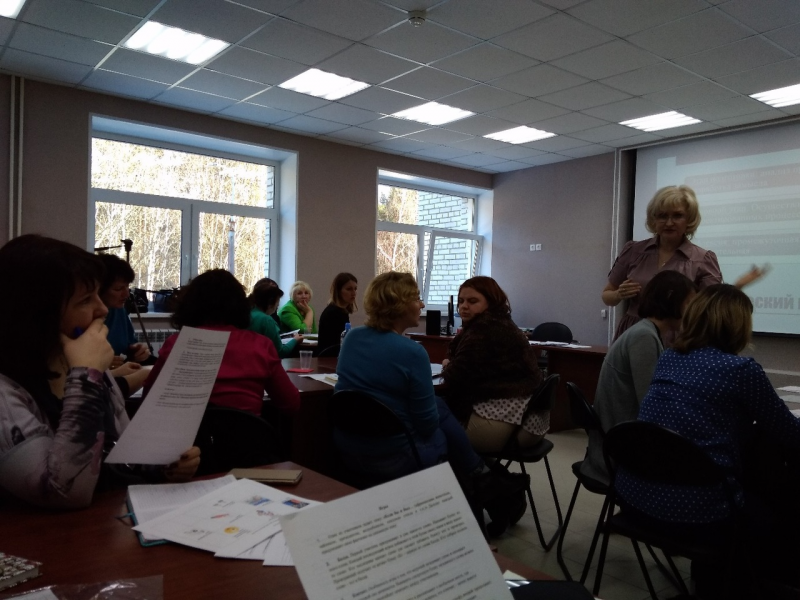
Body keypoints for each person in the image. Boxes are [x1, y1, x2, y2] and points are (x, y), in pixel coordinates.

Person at [616, 284, 800, 592]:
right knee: (774, 510)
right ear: (739, 325)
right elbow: (790, 434)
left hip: (634, 501)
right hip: (698, 516)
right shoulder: (741, 370)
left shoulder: (669, 358)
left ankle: (710, 580)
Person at [0, 235, 199, 509]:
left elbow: (122, 453)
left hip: (109, 521)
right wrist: (86, 375)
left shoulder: (84, 366)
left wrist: (163, 466)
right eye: (85, 300)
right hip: (49, 533)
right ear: (38, 314)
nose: (102, 308)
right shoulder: (7, 391)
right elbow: (65, 492)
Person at [335, 271, 527, 504]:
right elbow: (426, 426)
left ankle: (483, 477)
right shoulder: (413, 352)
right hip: (398, 454)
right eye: (417, 298)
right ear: (400, 305)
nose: (422, 305)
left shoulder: (352, 338)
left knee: (439, 405)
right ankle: (479, 484)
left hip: (347, 448)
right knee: (446, 433)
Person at [601, 185, 766, 341]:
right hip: (634, 332)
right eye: (662, 216)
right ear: (654, 219)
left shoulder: (703, 258)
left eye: (677, 216)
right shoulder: (633, 251)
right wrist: (618, 295)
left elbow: (713, 305)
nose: (669, 223)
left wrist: (738, 286)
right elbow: (607, 296)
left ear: (689, 220)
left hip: (679, 338)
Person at [581, 270, 697, 486]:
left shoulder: (646, 332)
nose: (693, 311)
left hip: (617, 441)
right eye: (690, 303)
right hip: (618, 453)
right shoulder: (644, 337)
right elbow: (651, 406)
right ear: (672, 299)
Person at [144, 269, 299, 417]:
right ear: (241, 305)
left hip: (186, 434)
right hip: (245, 433)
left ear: (190, 305)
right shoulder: (261, 346)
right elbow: (291, 403)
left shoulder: (176, 344)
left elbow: (149, 398)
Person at [441, 276, 543, 454]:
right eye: (461, 301)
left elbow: (455, 377)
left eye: (472, 301)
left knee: (431, 419)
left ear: (491, 302)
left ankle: (474, 469)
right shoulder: (499, 323)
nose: (464, 306)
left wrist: (447, 364)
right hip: (529, 423)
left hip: (508, 424)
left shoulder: (485, 330)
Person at [96, 253, 151, 367]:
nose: (126, 294)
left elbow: (128, 345)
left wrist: (136, 351)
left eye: (127, 287)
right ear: (98, 290)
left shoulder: (118, 310)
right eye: (118, 289)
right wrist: (98, 363)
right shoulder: (82, 318)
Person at [248, 279, 303, 359]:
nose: (278, 304)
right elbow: (280, 352)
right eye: (278, 301)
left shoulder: (247, 314)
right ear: (271, 302)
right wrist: (295, 340)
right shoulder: (267, 320)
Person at [317, 273, 358, 356]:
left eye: (355, 289)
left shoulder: (342, 311)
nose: (353, 293)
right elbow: (335, 343)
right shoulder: (332, 313)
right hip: (329, 358)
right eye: (349, 289)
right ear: (338, 291)